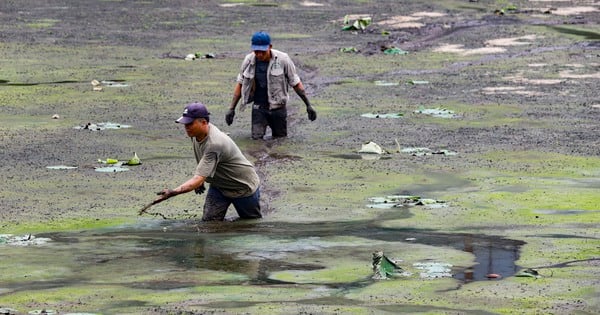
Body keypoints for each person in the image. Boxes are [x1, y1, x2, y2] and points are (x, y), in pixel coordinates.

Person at [154, 102, 262, 221]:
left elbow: (198, 178)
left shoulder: (214, 143)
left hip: (242, 186)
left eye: (190, 123)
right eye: (185, 124)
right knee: (209, 223)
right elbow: (203, 160)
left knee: (250, 224)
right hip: (219, 187)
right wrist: (201, 180)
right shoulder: (196, 133)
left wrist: (172, 192)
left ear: (204, 122)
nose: (186, 127)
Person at [225, 31, 317, 140]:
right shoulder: (248, 61)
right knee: (256, 142)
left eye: (262, 52)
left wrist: (308, 105)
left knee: (280, 141)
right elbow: (240, 84)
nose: (259, 55)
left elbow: (296, 83)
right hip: (259, 108)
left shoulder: (283, 59)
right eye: (256, 51)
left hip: (278, 109)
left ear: (270, 47)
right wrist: (231, 109)